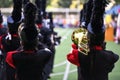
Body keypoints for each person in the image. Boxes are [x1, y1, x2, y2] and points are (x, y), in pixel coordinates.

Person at [67, 0, 119, 80]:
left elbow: (70, 56)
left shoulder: (80, 54)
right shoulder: (109, 56)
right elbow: (114, 60)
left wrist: (82, 38)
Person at [6, 2, 52, 80]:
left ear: (21, 41)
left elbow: (13, 53)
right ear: (37, 40)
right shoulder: (44, 55)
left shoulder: (13, 56)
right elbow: (47, 50)